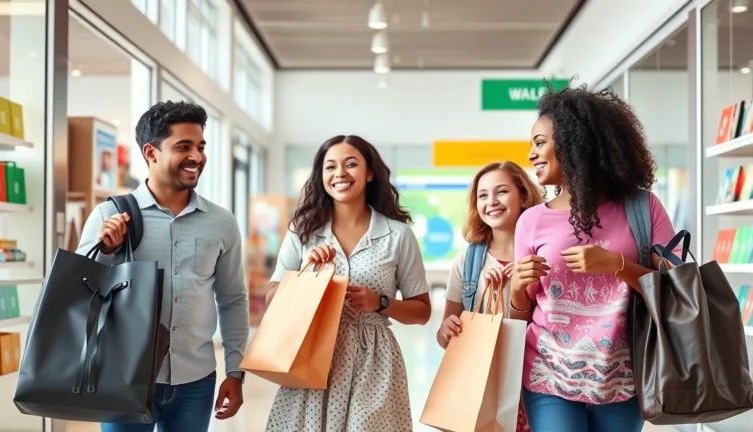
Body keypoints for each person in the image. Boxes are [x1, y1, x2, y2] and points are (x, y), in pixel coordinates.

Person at [510, 84, 678, 432]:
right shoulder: (531, 220)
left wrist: (616, 265)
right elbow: (520, 314)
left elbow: (673, 291)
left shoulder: (644, 208)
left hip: (625, 377)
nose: (531, 154)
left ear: (576, 143)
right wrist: (516, 289)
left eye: (540, 142)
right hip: (547, 376)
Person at [76, 101, 249, 432]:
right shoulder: (108, 215)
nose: (196, 156)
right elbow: (77, 289)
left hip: (196, 379)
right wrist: (107, 251)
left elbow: (232, 300)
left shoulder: (222, 223)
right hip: (123, 376)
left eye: (200, 146)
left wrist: (235, 370)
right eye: (183, 147)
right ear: (151, 152)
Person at [264, 134, 432, 431]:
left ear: (369, 173)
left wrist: (380, 303)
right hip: (310, 357)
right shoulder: (302, 232)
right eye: (330, 167)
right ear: (321, 176)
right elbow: (271, 301)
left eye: (350, 164)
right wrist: (307, 273)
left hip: (374, 364)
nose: (340, 173)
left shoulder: (398, 235)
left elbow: (422, 312)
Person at [437, 161, 545, 432]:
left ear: (523, 196)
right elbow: (444, 336)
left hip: (538, 383)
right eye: (482, 195)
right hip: (483, 384)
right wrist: (448, 330)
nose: (491, 202)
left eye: (501, 192)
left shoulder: (543, 254)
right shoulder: (469, 260)